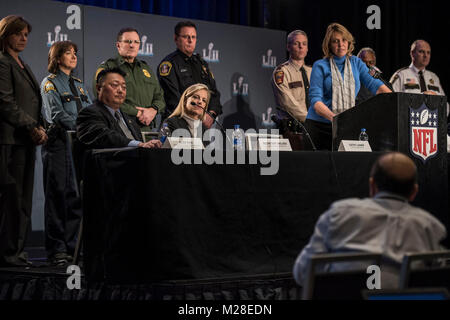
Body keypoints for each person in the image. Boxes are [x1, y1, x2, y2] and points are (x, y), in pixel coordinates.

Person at [293, 152, 447, 289]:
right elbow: (436, 282)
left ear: (372, 185)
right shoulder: (430, 227)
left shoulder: (339, 214)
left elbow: (303, 273)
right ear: (414, 192)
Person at [0, 15, 48, 267]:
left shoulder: (21, 63)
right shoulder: (2, 62)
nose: (23, 38)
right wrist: (31, 126)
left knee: (22, 198)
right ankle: (9, 254)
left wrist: (39, 127)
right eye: (18, 33)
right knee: (12, 198)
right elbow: (5, 102)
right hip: (10, 141)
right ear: (5, 34)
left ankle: (16, 252)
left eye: (26, 34)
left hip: (25, 142)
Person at [40, 41, 92, 266]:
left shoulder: (79, 85)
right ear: (57, 57)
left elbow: (90, 110)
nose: (73, 57)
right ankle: (57, 250)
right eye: (68, 53)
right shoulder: (49, 83)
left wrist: (88, 128)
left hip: (79, 143)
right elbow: (56, 115)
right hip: (59, 142)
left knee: (75, 196)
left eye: (75, 53)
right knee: (58, 195)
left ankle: (73, 247)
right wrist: (85, 127)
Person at [305, 23, 391, 150]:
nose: (341, 45)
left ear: (349, 42)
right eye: (336, 41)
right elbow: (315, 101)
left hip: (345, 125)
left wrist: (394, 100)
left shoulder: (357, 63)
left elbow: (376, 85)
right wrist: (336, 119)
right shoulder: (320, 65)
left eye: (344, 40)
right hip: (319, 127)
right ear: (329, 44)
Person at [94, 27, 165, 132]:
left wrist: (153, 110)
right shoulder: (108, 68)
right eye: (128, 41)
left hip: (147, 130)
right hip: (120, 129)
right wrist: (137, 113)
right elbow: (104, 98)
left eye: (136, 42)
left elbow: (160, 97)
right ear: (118, 45)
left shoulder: (146, 68)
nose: (132, 45)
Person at [158, 21, 222, 129]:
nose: (190, 40)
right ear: (176, 38)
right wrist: (196, 114)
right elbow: (173, 99)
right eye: (186, 37)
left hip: (203, 126)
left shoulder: (202, 64)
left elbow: (214, 93)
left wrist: (211, 114)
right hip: (178, 124)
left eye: (193, 37)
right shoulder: (169, 64)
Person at [77, 68, 161, 149]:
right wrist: (139, 144)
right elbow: (105, 136)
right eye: (115, 85)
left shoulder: (129, 119)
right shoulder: (89, 113)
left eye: (124, 87)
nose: (121, 90)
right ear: (99, 88)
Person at [390, 39, 448, 115]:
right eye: (421, 51)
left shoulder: (434, 77)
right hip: (408, 121)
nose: (425, 55)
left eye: (428, 52)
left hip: (432, 122)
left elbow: (445, 104)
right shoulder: (401, 75)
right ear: (412, 53)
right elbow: (391, 101)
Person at [272, 30, 311, 124]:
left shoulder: (312, 72)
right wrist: (310, 119)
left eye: (304, 44)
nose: (301, 47)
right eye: (296, 43)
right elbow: (287, 103)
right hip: (292, 131)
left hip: (313, 128)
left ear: (307, 48)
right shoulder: (281, 72)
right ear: (288, 47)